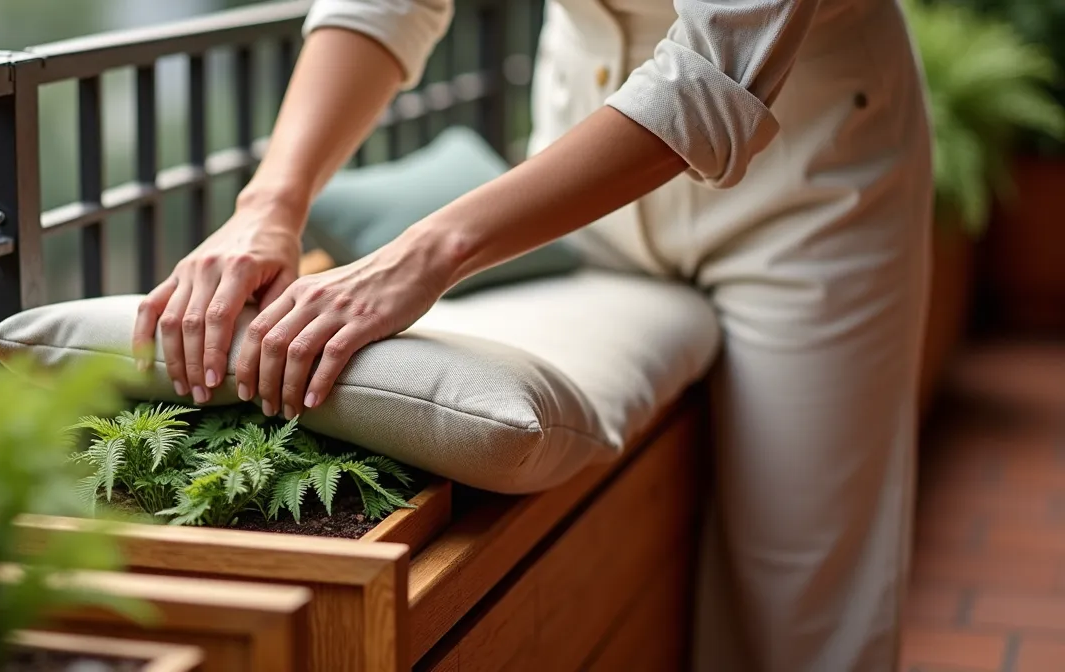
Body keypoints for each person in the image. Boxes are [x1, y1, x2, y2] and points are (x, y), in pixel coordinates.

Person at [132, 0, 933, 668]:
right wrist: (270, 203)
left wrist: (425, 254)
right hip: (588, 183)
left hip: (808, 188)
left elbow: (712, 72)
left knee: (803, 588)